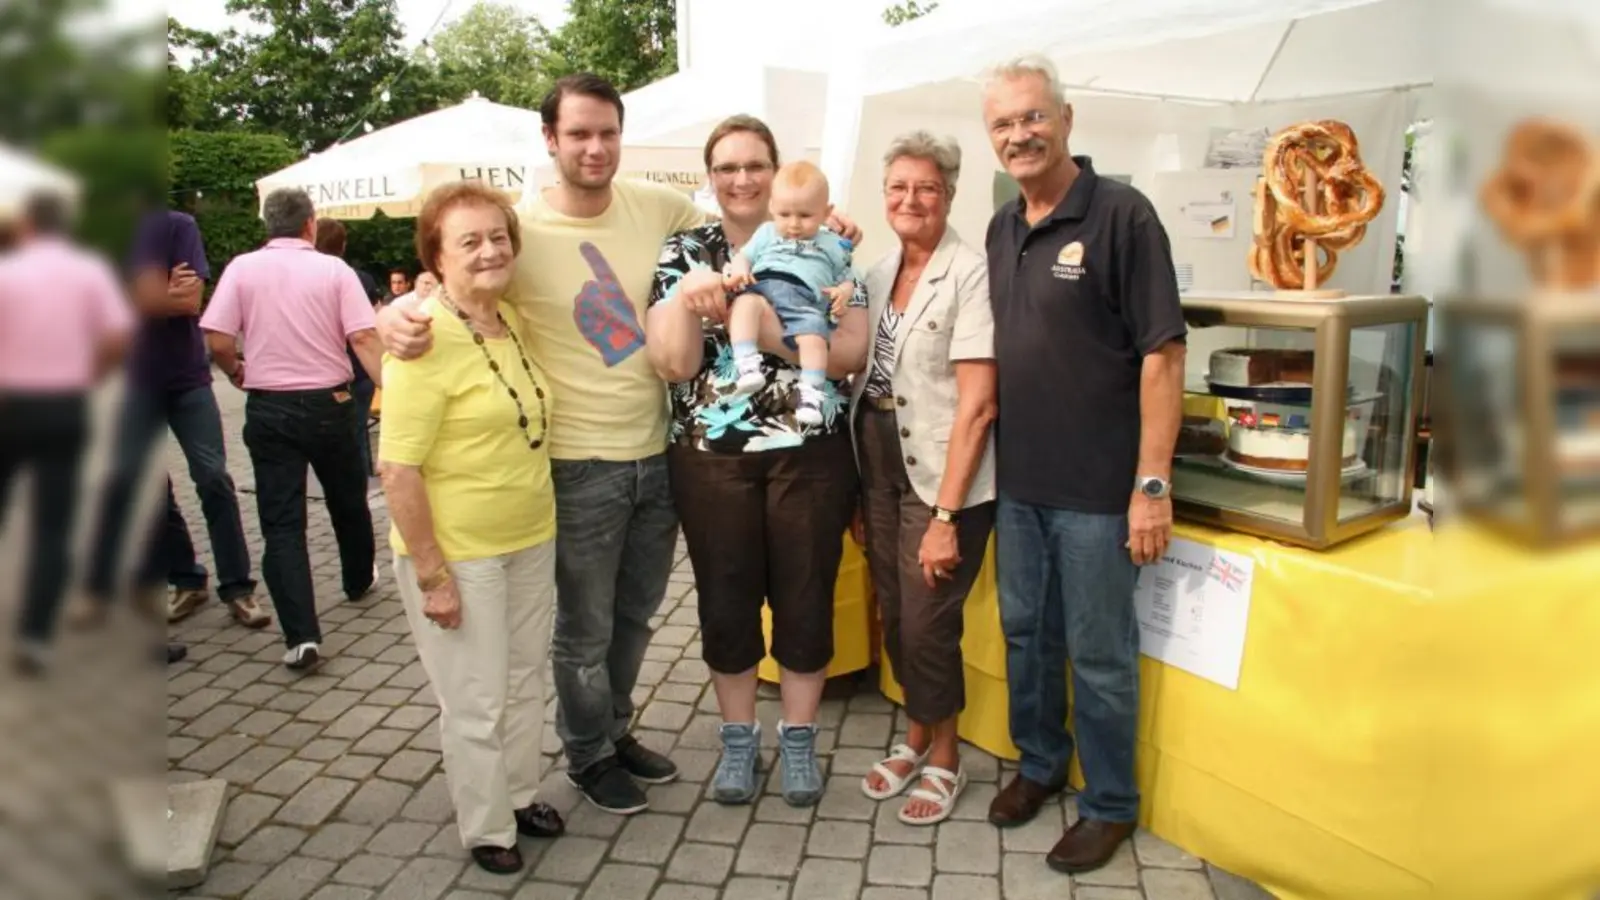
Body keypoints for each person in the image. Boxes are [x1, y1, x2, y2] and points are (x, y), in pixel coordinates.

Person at [377, 73, 704, 815]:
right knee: (583, 628)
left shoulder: (658, 205)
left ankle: (615, 731)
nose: (595, 147)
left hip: (658, 453)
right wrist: (404, 306)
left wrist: (824, 228)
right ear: (551, 140)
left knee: (636, 616)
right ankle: (587, 754)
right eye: (579, 134)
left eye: (608, 133)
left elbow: (739, 222)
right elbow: (457, 280)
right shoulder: (518, 233)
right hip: (576, 465)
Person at [980, 57, 1186, 873]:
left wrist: (1151, 485)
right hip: (1020, 484)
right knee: (1027, 635)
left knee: (1099, 655)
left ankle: (1109, 804)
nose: (1020, 134)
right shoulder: (1003, 227)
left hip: (1102, 493)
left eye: (1032, 117)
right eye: (1003, 124)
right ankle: (1039, 764)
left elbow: (1163, 357)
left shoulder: (1123, 217)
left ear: (1067, 119)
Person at [646, 115, 867, 807]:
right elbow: (674, 363)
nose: (741, 178)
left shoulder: (830, 243)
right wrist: (691, 298)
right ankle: (738, 740)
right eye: (727, 167)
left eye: (755, 165)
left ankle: (798, 739)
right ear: (710, 179)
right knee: (726, 600)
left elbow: (853, 352)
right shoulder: (686, 250)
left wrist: (764, 325)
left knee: (806, 598)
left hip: (809, 454)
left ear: (777, 174)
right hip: (712, 459)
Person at [379, 181, 566, 874]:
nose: (490, 251)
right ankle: (487, 826)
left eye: (498, 237)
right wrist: (433, 575)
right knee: (475, 696)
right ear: (436, 256)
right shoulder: (423, 341)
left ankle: (518, 796)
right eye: (469, 242)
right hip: (460, 555)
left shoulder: (507, 319)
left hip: (528, 536)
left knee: (521, 680)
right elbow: (398, 471)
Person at [850, 132, 997, 826]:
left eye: (927, 187)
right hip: (877, 461)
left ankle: (944, 755)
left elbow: (979, 402)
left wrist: (946, 517)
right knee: (896, 611)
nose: (911, 200)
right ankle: (913, 735)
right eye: (899, 187)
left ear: (949, 194)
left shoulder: (971, 271)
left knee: (929, 621)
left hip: (945, 475)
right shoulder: (875, 274)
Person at [200, 187, 386, 672]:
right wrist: (393, 387)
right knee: (348, 498)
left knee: (282, 524)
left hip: (269, 407)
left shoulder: (241, 268)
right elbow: (364, 335)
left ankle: (301, 636)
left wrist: (236, 369)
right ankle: (356, 579)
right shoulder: (334, 270)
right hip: (332, 401)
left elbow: (218, 338)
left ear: (267, 224)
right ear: (310, 225)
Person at [83, 207, 267, 628]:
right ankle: (187, 580)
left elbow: (188, 300)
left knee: (214, 479)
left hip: (187, 378)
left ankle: (238, 588)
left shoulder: (175, 225)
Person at [0, 191, 135, 673]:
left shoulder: (6, 272)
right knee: (52, 526)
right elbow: (119, 336)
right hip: (64, 407)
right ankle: (35, 636)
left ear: (28, 226)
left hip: (10, 405)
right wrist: (91, 374)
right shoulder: (91, 272)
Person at [722, 161, 857, 424]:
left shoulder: (832, 244)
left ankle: (811, 394)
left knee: (815, 336)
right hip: (762, 287)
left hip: (804, 300)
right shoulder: (766, 232)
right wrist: (739, 270)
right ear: (772, 207)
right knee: (744, 305)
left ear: (826, 211)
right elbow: (744, 257)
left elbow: (849, 277)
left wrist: (843, 292)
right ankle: (746, 361)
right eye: (784, 214)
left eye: (805, 215)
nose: (793, 224)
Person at [314, 218, 385, 476]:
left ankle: (338, 476)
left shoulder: (304, 279)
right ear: (343, 245)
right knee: (356, 429)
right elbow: (376, 324)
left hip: (322, 372)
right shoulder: (361, 279)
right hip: (361, 368)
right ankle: (362, 474)